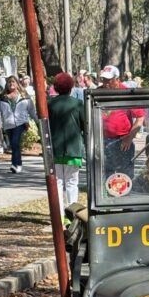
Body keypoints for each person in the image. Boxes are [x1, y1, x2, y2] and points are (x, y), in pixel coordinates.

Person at [48, 72, 85, 212]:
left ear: (56, 87)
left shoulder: (49, 104)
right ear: (71, 87)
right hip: (73, 149)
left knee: (57, 183)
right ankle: (72, 213)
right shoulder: (78, 104)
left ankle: (59, 214)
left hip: (55, 149)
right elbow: (84, 125)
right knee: (72, 183)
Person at [100, 65, 145, 179]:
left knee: (125, 174)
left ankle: (125, 195)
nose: (106, 83)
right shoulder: (97, 93)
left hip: (123, 141)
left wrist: (130, 137)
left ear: (117, 79)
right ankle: (106, 195)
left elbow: (140, 118)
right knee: (105, 173)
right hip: (102, 141)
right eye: (104, 80)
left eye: (109, 80)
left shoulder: (127, 93)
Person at [0, 74, 37, 173]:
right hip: (8, 123)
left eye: (13, 82)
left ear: (17, 84)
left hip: (21, 123)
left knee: (15, 142)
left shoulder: (24, 96)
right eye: (9, 82)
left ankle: (16, 164)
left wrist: (37, 121)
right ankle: (15, 164)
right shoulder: (2, 97)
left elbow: (31, 110)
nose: (11, 84)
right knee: (13, 144)